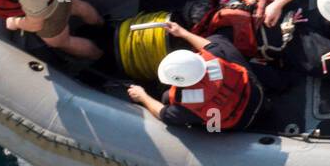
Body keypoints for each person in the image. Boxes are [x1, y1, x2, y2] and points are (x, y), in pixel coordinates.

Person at [125, 21, 291, 131]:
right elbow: (211, 44)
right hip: (256, 95)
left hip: (242, 124)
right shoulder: (217, 55)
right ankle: (282, 82)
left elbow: (164, 114)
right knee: (221, 43)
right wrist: (182, 32)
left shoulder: (184, 105)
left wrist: (142, 96)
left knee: (166, 97)